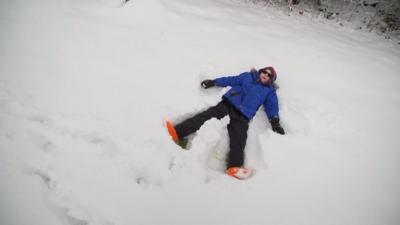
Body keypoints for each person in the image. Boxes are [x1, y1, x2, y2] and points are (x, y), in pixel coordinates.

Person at [166, 66, 285, 179]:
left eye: (269, 75)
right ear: (260, 72)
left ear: (271, 80)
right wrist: (214, 82)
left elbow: (272, 106)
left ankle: (235, 167)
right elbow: (231, 80)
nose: (266, 75)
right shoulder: (248, 76)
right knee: (205, 117)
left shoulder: (269, 91)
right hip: (229, 103)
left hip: (243, 115)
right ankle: (177, 131)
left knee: (239, 138)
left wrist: (275, 122)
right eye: (265, 71)